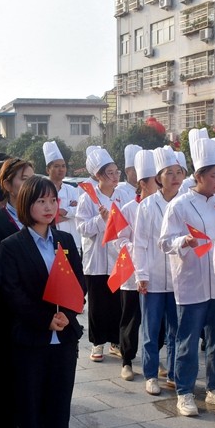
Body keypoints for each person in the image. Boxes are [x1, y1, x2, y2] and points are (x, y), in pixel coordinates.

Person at [0, 176, 85, 428]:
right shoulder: (12, 246)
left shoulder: (65, 240)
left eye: (52, 200)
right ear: (26, 204)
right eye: (40, 201)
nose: (49, 207)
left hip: (64, 338)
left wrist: (67, 315)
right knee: (31, 406)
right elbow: (12, 293)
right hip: (30, 338)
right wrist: (44, 319)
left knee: (60, 405)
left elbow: (79, 284)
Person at [159, 128, 215, 417]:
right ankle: (184, 391)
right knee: (187, 340)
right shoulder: (179, 205)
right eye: (214, 176)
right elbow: (165, 242)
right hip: (191, 282)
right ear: (199, 176)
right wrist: (183, 242)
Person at [0, 158, 35, 428]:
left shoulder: (39, 217)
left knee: (29, 374)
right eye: (23, 178)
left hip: (35, 310)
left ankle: (27, 427)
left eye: (32, 177)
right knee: (4, 372)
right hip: (5, 310)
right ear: (7, 185)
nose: (29, 183)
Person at [133, 148, 184, 395]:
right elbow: (140, 243)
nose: (175, 177)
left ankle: (173, 373)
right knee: (151, 330)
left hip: (179, 279)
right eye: (169, 173)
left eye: (179, 172)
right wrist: (141, 274)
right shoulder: (147, 206)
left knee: (176, 329)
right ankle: (151, 374)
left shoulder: (186, 203)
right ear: (158, 177)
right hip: (152, 278)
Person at [76, 148, 127, 362]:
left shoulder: (123, 196)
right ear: (98, 176)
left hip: (118, 258)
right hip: (96, 260)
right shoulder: (87, 198)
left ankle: (116, 342)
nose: (115, 177)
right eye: (110, 173)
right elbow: (82, 228)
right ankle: (97, 343)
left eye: (117, 172)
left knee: (117, 303)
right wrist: (101, 220)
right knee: (98, 305)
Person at [114, 150, 157, 385]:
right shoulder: (129, 208)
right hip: (132, 273)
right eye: (156, 181)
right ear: (143, 183)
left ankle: (154, 358)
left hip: (157, 273)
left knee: (156, 320)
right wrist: (138, 247)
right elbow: (119, 239)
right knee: (130, 318)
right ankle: (127, 360)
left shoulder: (162, 207)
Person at [43, 141, 81, 251]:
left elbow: (79, 210)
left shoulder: (72, 190)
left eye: (63, 166)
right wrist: (68, 213)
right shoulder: (42, 190)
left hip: (73, 240)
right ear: (48, 170)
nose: (61, 169)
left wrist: (63, 211)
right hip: (50, 241)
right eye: (56, 166)